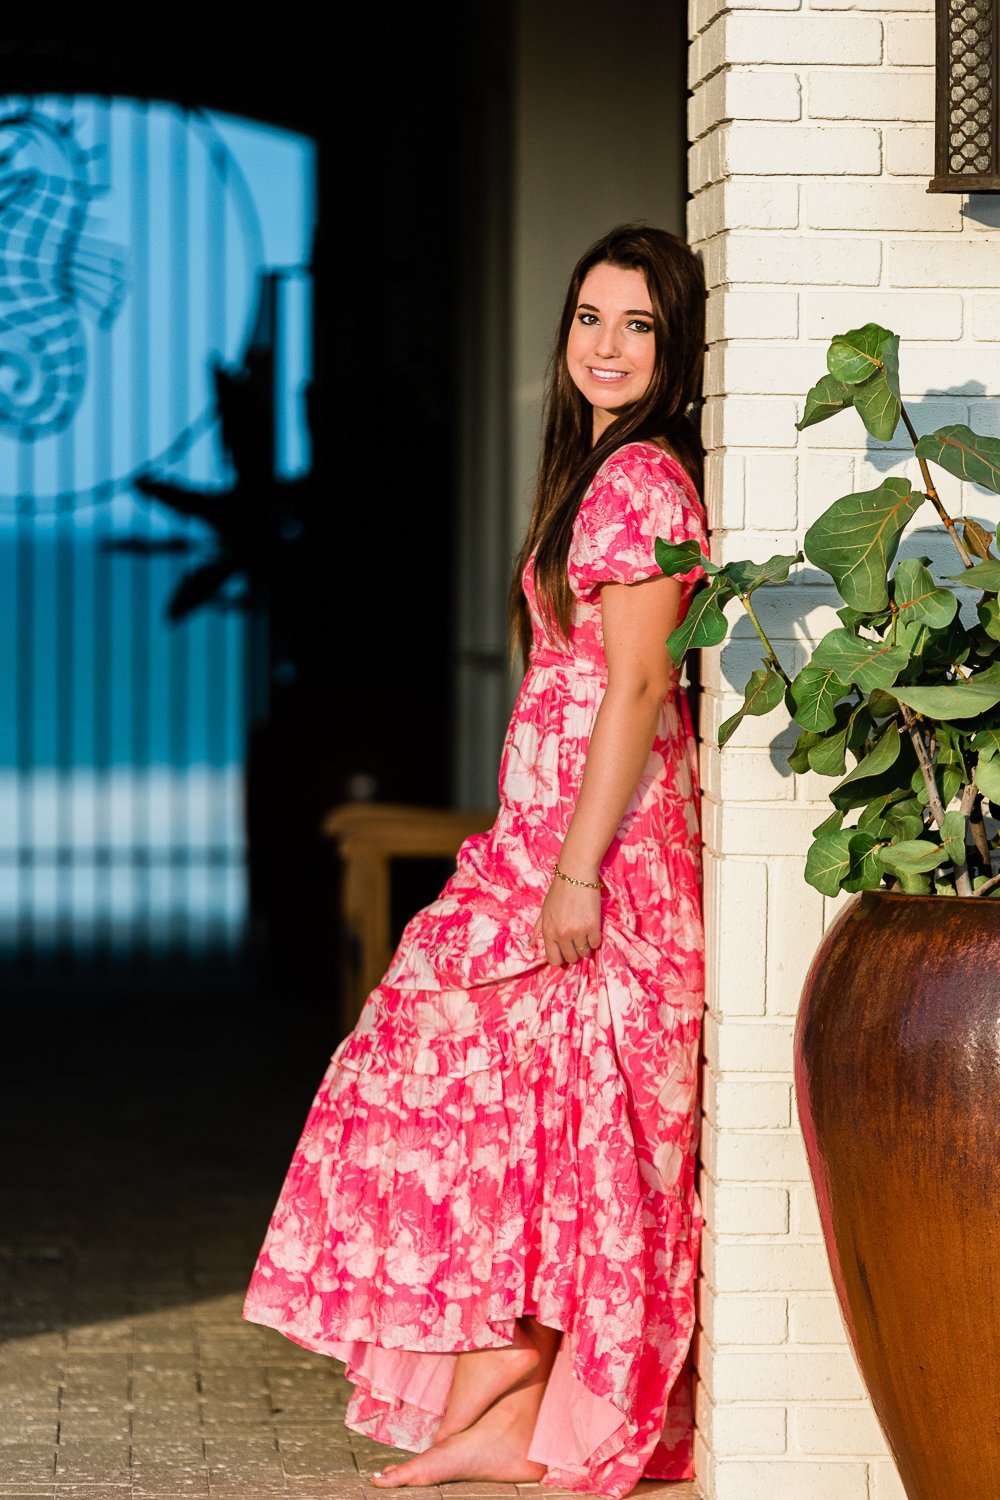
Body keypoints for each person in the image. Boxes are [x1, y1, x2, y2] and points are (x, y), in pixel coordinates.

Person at [243, 222, 709, 1498]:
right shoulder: (597, 474)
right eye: (589, 319)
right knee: (519, 1105)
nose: (605, 347)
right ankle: (508, 1385)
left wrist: (570, 874)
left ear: (674, 351)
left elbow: (635, 688)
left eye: (638, 326)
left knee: (526, 1097)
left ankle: (516, 1383)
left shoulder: (642, 487)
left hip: (600, 861)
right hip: (544, 845)